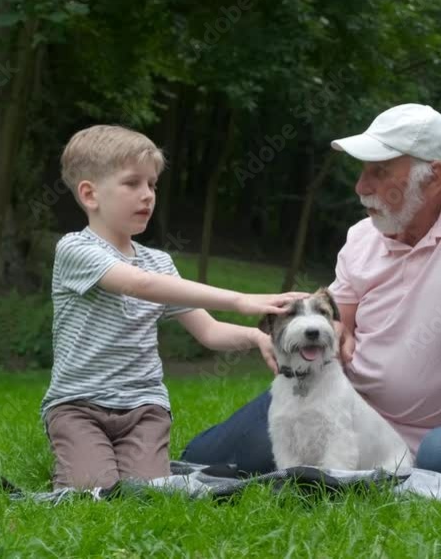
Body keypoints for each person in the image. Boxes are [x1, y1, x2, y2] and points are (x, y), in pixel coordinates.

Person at [181, 104, 441, 473]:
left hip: (435, 431)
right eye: (363, 171)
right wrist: (326, 333)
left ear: (435, 177)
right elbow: (336, 325)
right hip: (339, 405)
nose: (362, 187)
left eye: (380, 172)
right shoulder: (363, 235)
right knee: (202, 459)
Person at [42, 125, 305, 489]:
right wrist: (240, 300)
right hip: (78, 407)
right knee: (94, 491)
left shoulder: (160, 263)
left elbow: (209, 331)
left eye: (152, 185)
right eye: (132, 183)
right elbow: (139, 285)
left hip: (144, 410)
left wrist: (255, 336)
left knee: (148, 492)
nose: (147, 195)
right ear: (90, 194)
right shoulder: (75, 250)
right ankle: (89, 462)